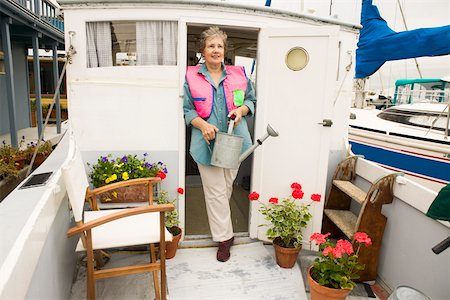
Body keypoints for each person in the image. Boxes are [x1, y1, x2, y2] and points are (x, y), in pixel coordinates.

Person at [183, 26, 256, 262]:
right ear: (202, 51)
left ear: (225, 50)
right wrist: (202, 125)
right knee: (215, 193)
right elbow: (187, 110)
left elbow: (250, 101)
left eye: (220, 46)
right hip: (206, 144)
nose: (216, 50)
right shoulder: (191, 76)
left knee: (225, 188)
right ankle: (225, 239)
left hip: (235, 142)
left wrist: (241, 110)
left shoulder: (239, 75)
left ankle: (223, 230)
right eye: (211, 46)